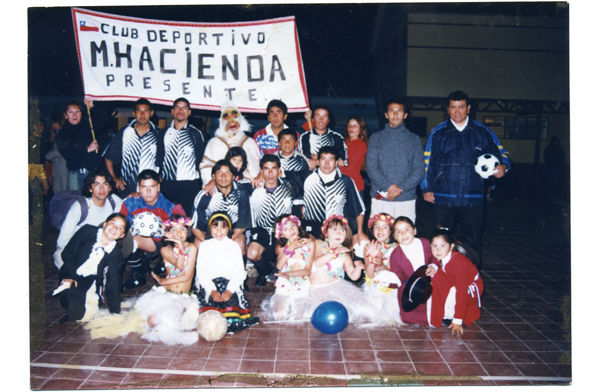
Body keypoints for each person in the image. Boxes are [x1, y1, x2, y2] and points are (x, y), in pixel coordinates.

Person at [420, 91, 511, 257]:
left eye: (461, 107)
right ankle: (441, 279)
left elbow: (502, 154)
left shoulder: (483, 132)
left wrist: (504, 166)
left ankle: (470, 280)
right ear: (447, 110)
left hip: (473, 199)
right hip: (443, 198)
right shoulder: (438, 133)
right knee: (440, 243)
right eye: (453, 107)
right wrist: (426, 187)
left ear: (468, 108)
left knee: (472, 243)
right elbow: (427, 162)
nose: (457, 111)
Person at [283, 146, 367, 243]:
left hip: (335, 227)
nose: (326, 163)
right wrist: (260, 176)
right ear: (318, 162)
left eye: (330, 159)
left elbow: (359, 209)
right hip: (312, 227)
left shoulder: (345, 181)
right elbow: (280, 174)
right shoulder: (306, 177)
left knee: (363, 243)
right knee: (308, 245)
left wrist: (360, 232)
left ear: (336, 163)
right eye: (323, 159)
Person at [120, 169, 186, 289]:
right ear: (139, 188)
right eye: (144, 187)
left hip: (165, 244)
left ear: (158, 187)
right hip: (143, 242)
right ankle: (138, 273)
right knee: (122, 235)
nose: (149, 191)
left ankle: (162, 262)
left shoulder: (171, 204)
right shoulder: (130, 203)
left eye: (152, 187)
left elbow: (184, 229)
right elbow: (122, 227)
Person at [194, 212, 259, 334]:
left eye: (223, 227)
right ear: (209, 228)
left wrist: (229, 290)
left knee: (230, 319)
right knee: (209, 319)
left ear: (229, 229)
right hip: (210, 286)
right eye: (215, 226)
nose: (218, 231)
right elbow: (201, 272)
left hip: (229, 286)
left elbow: (240, 272)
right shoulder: (204, 246)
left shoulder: (234, 246)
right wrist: (212, 290)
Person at [57, 213, 128, 323]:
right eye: (112, 223)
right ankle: (67, 295)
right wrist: (69, 276)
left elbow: (113, 281)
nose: (114, 228)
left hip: (90, 280)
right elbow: (68, 254)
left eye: (120, 228)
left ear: (122, 235)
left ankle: (89, 296)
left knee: (92, 309)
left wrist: (115, 311)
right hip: (72, 273)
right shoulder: (87, 231)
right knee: (76, 312)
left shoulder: (116, 253)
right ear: (105, 224)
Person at [308, 215, 379, 324]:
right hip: (314, 289)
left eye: (342, 231)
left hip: (335, 286)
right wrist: (334, 252)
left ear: (346, 236)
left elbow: (353, 276)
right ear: (325, 233)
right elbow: (316, 262)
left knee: (354, 312)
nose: (338, 233)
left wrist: (358, 268)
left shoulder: (345, 255)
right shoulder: (318, 244)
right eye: (334, 230)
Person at [366, 97, 425, 223]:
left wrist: (399, 189)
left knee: (404, 239)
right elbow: (371, 168)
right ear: (386, 115)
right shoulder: (376, 138)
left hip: (406, 197)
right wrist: (388, 187)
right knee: (380, 237)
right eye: (391, 111)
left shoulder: (414, 140)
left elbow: (419, 171)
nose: (395, 114)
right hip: (380, 196)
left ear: (405, 115)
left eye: (399, 111)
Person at [247, 155, 303, 286]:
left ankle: (276, 270)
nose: (270, 173)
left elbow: (304, 173)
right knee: (252, 253)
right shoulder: (252, 188)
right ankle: (263, 270)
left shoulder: (290, 186)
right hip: (262, 230)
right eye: (266, 169)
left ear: (279, 170)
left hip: (284, 231)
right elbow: (229, 184)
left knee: (284, 250)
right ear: (261, 172)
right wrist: (210, 182)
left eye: (274, 168)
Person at [54, 168, 124, 269]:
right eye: (96, 184)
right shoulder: (79, 207)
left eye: (105, 184)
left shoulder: (114, 201)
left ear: (110, 188)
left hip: (99, 248)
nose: (101, 189)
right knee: (59, 256)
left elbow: (127, 205)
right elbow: (62, 240)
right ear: (90, 188)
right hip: (77, 247)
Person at [103, 98, 163, 199]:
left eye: (146, 111)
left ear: (151, 113)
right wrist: (114, 178)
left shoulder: (159, 134)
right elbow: (109, 156)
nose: (142, 115)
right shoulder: (124, 132)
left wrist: (161, 176)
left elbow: (167, 158)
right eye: (139, 111)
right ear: (134, 113)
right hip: (127, 189)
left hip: (150, 191)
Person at [428, 229, 483, 336]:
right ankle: (443, 312)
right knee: (436, 278)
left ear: (451, 247)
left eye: (442, 246)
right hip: (455, 279)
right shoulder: (445, 256)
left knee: (454, 291)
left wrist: (457, 321)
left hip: (472, 286)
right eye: (434, 246)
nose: (438, 250)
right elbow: (442, 266)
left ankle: (453, 315)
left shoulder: (458, 263)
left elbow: (461, 292)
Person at [260, 215, 315, 321]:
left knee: (299, 317)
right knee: (280, 315)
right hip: (285, 285)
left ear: (298, 226)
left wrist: (289, 274)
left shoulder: (310, 243)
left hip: (301, 285)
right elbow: (279, 266)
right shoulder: (281, 246)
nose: (291, 230)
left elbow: (308, 270)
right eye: (285, 229)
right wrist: (290, 248)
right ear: (281, 234)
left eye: (293, 225)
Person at [158, 97, 206, 216]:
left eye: (184, 108)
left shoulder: (196, 134)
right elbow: (159, 157)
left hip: (189, 185)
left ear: (189, 112)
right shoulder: (164, 133)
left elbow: (201, 158)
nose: (180, 111)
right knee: (166, 218)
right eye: (177, 108)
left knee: (190, 219)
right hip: (168, 184)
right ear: (172, 111)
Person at [387, 217, 439, 326]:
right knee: (407, 317)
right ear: (395, 236)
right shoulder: (396, 255)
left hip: (431, 285)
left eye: (407, 229)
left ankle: (435, 315)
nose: (403, 234)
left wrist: (434, 265)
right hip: (410, 290)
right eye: (399, 232)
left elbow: (437, 256)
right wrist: (388, 282)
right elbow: (397, 278)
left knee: (437, 309)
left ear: (414, 231)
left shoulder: (425, 243)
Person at [191, 160, 251, 253]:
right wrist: (209, 242)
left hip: (232, 233)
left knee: (239, 244)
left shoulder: (242, 193)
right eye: (219, 173)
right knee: (198, 244)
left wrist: (227, 241)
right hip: (209, 233)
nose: (223, 176)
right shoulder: (204, 195)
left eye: (228, 173)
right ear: (213, 176)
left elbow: (242, 225)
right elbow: (195, 227)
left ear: (233, 177)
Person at [199, 101, 260, 185]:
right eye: (227, 118)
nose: (231, 120)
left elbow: (256, 170)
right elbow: (206, 169)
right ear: (222, 122)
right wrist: (211, 182)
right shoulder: (214, 143)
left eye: (235, 116)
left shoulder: (250, 142)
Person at [56, 100, 108, 190]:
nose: (74, 115)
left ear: (81, 114)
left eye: (77, 112)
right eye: (71, 112)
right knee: (76, 201)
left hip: (93, 173)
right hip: (75, 175)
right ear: (65, 115)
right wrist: (88, 149)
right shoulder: (62, 133)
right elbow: (68, 154)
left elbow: (104, 120)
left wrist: (92, 106)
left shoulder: (89, 128)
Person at [150, 215, 198, 293]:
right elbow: (179, 265)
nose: (179, 233)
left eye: (182, 229)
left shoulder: (192, 247)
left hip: (181, 295)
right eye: (174, 230)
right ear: (168, 232)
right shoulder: (165, 250)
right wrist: (180, 246)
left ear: (187, 231)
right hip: (166, 292)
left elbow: (186, 276)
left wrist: (164, 281)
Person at [299, 105, 348, 169]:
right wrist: (330, 159)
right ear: (313, 119)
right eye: (317, 116)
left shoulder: (337, 137)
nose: (321, 119)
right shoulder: (305, 137)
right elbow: (306, 163)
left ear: (328, 120)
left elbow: (342, 162)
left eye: (325, 116)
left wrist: (315, 157)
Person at [340, 116, 369, 199]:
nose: (351, 128)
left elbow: (349, 167)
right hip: (341, 185)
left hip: (354, 186)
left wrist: (335, 163)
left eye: (355, 126)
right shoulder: (343, 141)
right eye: (349, 125)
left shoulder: (361, 145)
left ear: (361, 129)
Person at [45, 114, 68, 194]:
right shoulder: (59, 133)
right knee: (58, 190)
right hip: (58, 167)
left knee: (63, 189)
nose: (51, 125)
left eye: (52, 123)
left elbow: (59, 151)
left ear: (56, 123)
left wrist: (47, 156)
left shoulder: (62, 133)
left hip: (62, 167)